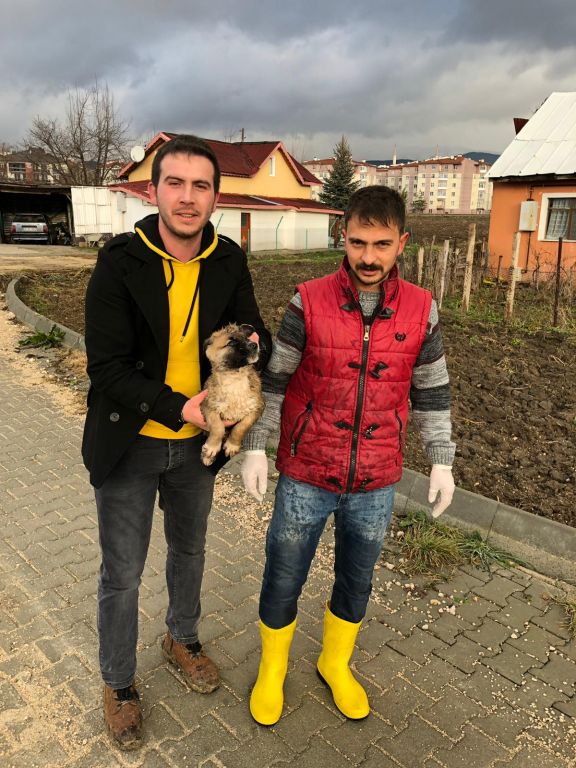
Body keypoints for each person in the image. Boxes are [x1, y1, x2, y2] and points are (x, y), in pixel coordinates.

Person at [240, 185, 456, 725]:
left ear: (401, 242)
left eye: (381, 244)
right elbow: (274, 380)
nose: (367, 257)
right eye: (358, 242)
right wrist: (255, 446)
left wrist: (441, 459)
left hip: (377, 477)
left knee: (357, 578)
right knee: (285, 572)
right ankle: (273, 669)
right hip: (307, 472)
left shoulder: (422, 309)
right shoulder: (306, 299)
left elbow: (432, 389)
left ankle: (335, 663)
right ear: (344, 235)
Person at [82, 134, 271, 749]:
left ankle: (181, 639)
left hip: (198, 447)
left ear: (215, 195)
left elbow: (249, 326)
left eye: (201, 186)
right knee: (123, 572)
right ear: (154, 189)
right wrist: (177, 407)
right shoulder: (119, 261)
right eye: (176, 183)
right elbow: (106, 367)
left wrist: (254, 343)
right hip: (132, 441)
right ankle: (118, 682)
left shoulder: (227, 257)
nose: (188, 198)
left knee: (189, 553)